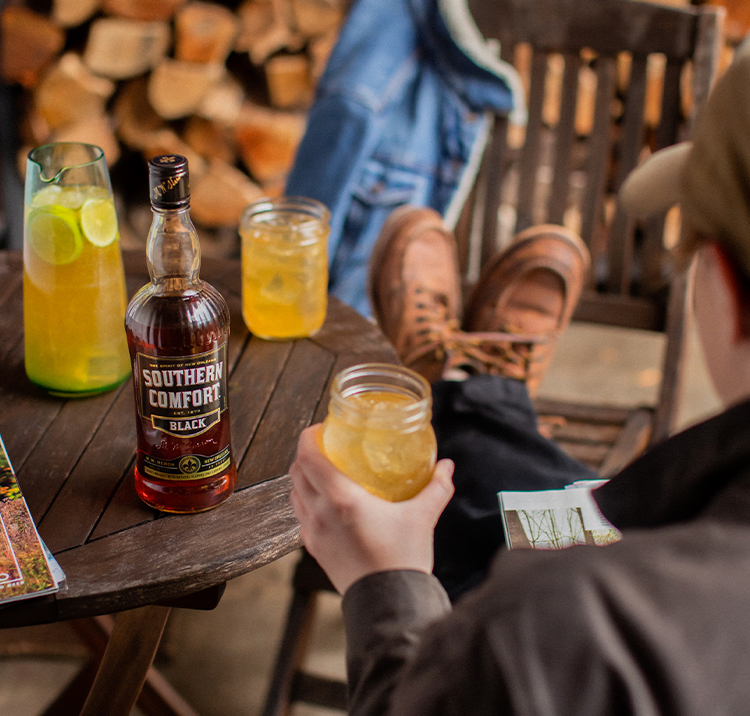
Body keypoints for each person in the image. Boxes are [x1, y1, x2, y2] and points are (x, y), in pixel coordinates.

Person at [288, 46, 750, 716]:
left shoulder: (562, 633)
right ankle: (474, 387)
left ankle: (458, 383)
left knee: (472, 490)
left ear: (726, 284)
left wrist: (381, 578)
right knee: (518, 491)